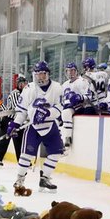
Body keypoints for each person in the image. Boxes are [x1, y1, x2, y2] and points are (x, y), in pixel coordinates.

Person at [11, 60, 74, 194]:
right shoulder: (29, 89)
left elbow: (60, 107)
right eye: (38, 74)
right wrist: (16, 123)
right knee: (26, 154)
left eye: (43, 74)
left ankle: (45, 178)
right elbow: (21, 110)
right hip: (33, 126)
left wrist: (47, 113)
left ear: (48, 74)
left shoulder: (57, 87)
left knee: (57, 152)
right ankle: (20, 179)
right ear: (35, 75)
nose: (41, 77)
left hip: (50, 125)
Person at [0, 74, 26, 166]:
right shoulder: (15, 93)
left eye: (24, 83)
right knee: (4, 140)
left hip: (18, 120)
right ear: (18, 84)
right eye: (21, 83)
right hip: (9, 120)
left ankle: (21, 161)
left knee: (19, 141)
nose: (23, 85)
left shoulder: (25, 93)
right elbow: (17, 108)